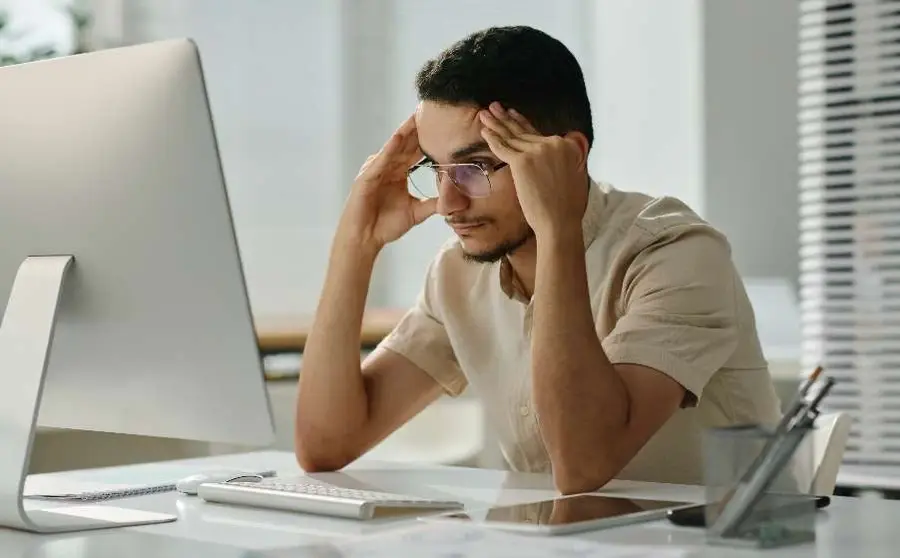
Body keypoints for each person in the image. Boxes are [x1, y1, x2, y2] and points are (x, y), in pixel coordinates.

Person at [295, 25, 782, 493]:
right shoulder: (458, 275)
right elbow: (326, 445)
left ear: (568, 156)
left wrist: (556, 230)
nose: (447, 204)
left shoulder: (677, 255)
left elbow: (583, 465)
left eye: (477, 167)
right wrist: (356, 243)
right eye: (436, 169)